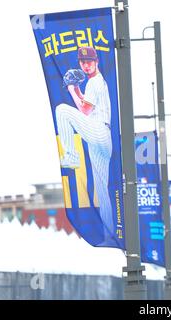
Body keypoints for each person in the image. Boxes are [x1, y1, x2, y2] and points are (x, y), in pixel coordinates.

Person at [55, 46, 113, 244]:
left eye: (89, 61)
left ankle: (70, 155)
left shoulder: (95, 82)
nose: (86, 65)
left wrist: (71, 88)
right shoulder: (94, 82)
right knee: (102, 191)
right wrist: (77, 89)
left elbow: (85, 111)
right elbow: (86, 105)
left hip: (98, 131)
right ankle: (110, 233)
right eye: (83, 62)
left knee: (62, 110)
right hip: (103, 137)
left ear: (96, 61)